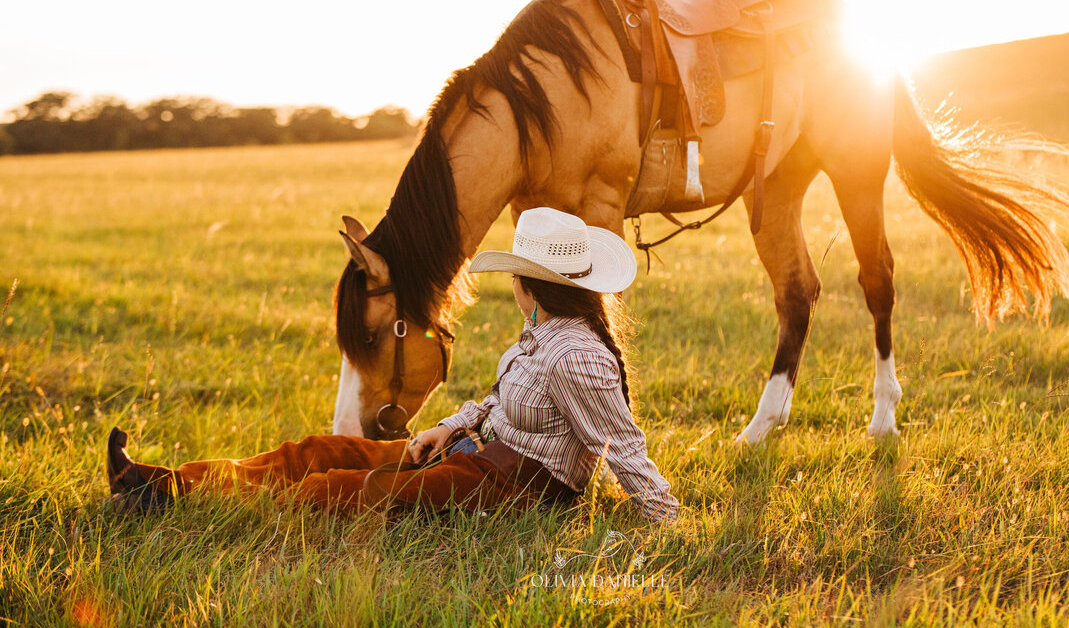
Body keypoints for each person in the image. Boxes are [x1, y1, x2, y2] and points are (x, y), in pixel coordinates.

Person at [106, 207, 679, 524]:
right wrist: (450, 426)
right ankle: (158, 484)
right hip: (473, 452)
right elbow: (500, 403)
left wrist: (664, 517)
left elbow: (623, 445)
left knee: (332, 491)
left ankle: (189, 506)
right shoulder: (541, 330)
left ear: (526, 281)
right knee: (316, 453)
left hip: (512, 486)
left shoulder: (579, 355)